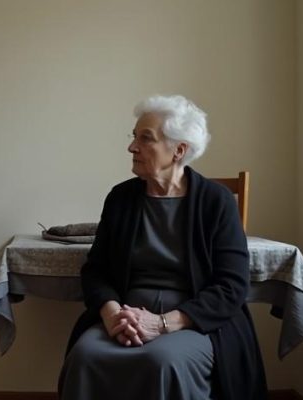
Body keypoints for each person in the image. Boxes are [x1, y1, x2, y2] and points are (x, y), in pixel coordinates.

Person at [58, 95, 266, 400]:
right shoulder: (120, 198)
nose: (132, 147)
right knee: (84, 356)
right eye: (134, 137)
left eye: (145, 138)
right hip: (126, 314)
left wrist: (162, 323)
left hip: (193, 322)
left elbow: (232, 285)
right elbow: (96, 270)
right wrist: (112, 313)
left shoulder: (216, 201)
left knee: (162, 362)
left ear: (179, 150)